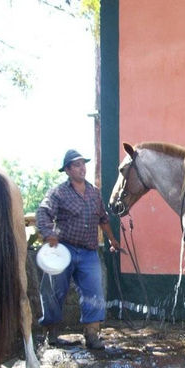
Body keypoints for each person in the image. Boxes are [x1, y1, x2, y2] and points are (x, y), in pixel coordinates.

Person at [36, 149, 120, 349]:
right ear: (67, 170)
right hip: (63, 250)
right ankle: (52, 332)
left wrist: (112, 240)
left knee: (94, 291)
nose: (82, 168)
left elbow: (103, 219)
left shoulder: (94, 192)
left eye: (83, 164)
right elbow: (43, 212)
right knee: (54, 292)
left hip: (89, 251)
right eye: (76, 165)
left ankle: (92, 334)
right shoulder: (58, 193)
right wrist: (48, 233)